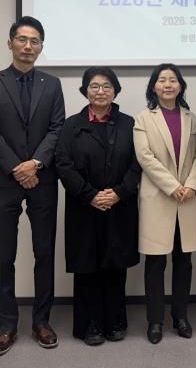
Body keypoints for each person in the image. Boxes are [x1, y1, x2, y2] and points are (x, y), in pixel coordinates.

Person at [0, 16, 65, 357]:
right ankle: (7, 325)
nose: (28, 46)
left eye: (35, 41)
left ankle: (42, 321)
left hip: (43, 178)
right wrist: (18, 168)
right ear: (10, 42)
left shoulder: (52, 84)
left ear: (41, 46)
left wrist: (36, 164)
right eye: (22, 39)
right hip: (4, 179)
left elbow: (57, 128)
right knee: (4, 254)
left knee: (44, 252)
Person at [55, 67, 140, 346]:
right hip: (84, 206)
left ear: (115, 91)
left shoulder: (129, 124)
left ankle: (115, 321)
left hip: (119, 205)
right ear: (85, 91)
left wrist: (119, 193)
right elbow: (63, 164)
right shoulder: (71, 125)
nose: (100, 91)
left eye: (106, 86)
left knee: (115, 264)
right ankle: (88, 324)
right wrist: (90, 195)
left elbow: (138, 163)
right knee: (86, 265)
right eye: (94, 86)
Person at [134, 63, 196, 344]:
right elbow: (145, 157)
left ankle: (180, 317)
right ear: (153, 86)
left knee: (183, 261)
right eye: (162, 80)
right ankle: (155, 321)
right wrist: (173, 186)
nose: (167, 84)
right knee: (155, 262)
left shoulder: (192, 118)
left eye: (173, 80)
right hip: (159, 197)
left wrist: (191, 185)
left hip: (187, 197)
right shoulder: (144, 118)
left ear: (180, 86)